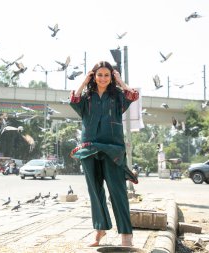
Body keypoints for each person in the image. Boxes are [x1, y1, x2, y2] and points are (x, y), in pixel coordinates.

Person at [69, 61, 139, 247]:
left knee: (117, 191)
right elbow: (74, 100)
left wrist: (120, 80)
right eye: (99, 75)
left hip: (113, 149)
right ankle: (100, 230)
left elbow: (133, 95)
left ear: (111, 77)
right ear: (94, 76)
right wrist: (84, 82)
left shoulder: (117, 97)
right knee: (95, 191)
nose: (103, 78)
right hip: (89, 148)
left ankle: (126, 235)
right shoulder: (87, 97)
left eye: (107, 75)